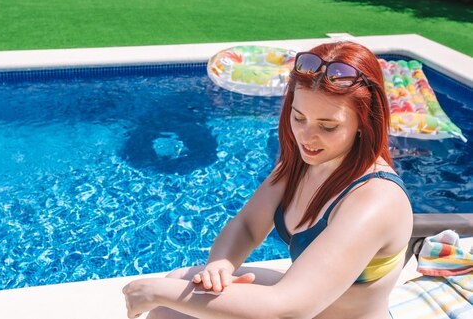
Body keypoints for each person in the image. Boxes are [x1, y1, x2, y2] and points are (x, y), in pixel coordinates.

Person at [122, 41, 413, 319]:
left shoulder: (376, 199)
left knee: (165, 305)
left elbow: (286, 310)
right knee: (178, 282)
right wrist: (220, 266)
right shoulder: (303, 164)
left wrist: (152, 291)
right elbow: (248, 226)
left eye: (328, 126)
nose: (306, 138)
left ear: (364, 123)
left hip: (303, 312)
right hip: (305, 309)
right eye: (298, 118)